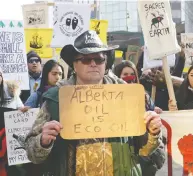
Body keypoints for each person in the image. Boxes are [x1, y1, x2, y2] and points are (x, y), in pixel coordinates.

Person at [24, 30, 165, 176]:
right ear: (74, 64)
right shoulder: (56, 98)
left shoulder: (127, 95)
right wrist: (43, 141)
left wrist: (153, 133)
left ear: (105, 63)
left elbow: (153, 154)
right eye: (85, 59)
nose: (93, 64)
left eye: (99, 59)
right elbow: (31, 153)